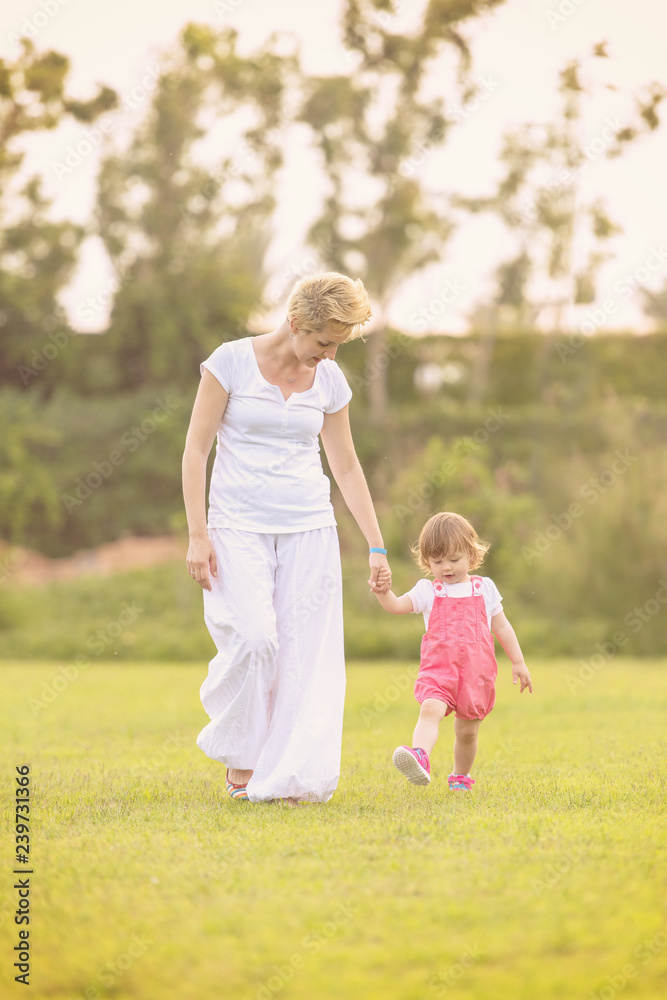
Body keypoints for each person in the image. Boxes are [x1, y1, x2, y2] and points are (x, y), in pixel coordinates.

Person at [182, 271, 391, 805]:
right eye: (324, 343)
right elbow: (196, 451)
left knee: (304, 657)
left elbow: (346, 466)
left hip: (309, 528)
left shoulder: (329, 380)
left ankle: (289, 775)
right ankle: (243, 760)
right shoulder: (229, 362)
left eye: (338, 346)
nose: (330, 356)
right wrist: (198, 536)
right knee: (255, 639)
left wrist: (375, 544)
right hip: (236, 526)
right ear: (296, 323)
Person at [373, 511, 531, 791]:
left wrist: (518, 662)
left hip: (476, 673)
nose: (446, 567)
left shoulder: (485, 589)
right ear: (427, 562)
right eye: (437, 561)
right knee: (430, 708)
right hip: (439, 671)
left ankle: (460, 776)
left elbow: (503, 627)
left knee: (467, 732)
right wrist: (382, 592)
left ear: (471, 554)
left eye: (454, 559)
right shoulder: (428, 591)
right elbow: (396, 606)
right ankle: (420, 756)